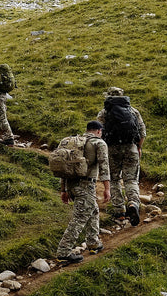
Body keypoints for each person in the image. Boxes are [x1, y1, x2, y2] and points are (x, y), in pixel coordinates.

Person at [55, 122, 111, 263]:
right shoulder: (99, 143)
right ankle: (64, 251)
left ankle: (93, 243)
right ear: (99, 131)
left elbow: (63, 168)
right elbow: (104, 166)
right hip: (86, 185)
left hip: (71, 184)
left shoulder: (72, 142)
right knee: (79, 218)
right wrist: (107, 188)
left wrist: (63, 189)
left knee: (93, 210)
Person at [97, 86, 146, 225]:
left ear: (108, 97)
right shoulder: (133, 111)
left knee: (114, 179)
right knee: (131, 180)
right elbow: (142, 132)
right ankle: (133, 204)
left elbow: (99, 134)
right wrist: (139, 147)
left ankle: (120, 211)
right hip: (131, 148)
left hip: (111, 149)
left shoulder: (104, 113)